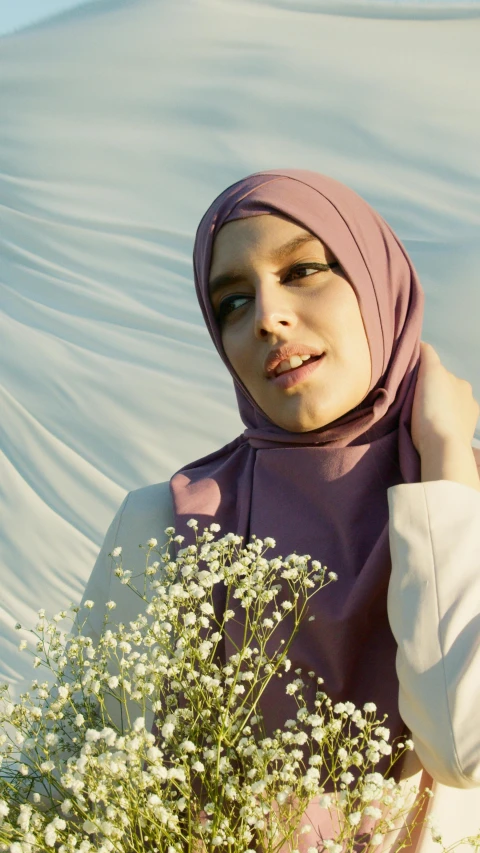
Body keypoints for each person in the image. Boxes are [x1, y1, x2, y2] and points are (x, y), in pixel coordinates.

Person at [83, 169, 480, 851]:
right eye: (233, 302)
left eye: (301, 270)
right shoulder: (166, 531)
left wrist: (446, 461)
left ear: (377, 283)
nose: (267, 315)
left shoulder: (465, 504)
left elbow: (462, 746)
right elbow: (91, 798)